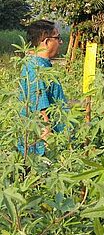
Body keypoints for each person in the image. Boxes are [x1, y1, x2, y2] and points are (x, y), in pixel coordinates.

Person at [19, 20, 67, 155]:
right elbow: (41, 112)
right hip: (41, 149)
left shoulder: (42, 65)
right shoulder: (35, 68)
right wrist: (49, 149)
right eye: (57, 38)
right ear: (46, 42)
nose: (61, 42)